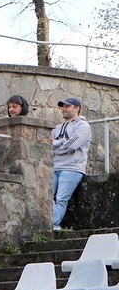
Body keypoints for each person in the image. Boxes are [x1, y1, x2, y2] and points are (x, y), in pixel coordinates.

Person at [51, 97, 91, 231]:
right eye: (63, 106)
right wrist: (61, 142)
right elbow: (47, 144)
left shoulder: (83, 126)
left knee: (61, 199)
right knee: (46, 196)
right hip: (55, 166)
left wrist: (56, 145)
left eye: (67, 106)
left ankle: (54, 224)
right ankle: (54, 224)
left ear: (76, 108)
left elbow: (72, 146)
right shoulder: (57, 128)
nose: (64, 109)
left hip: (72, 167)